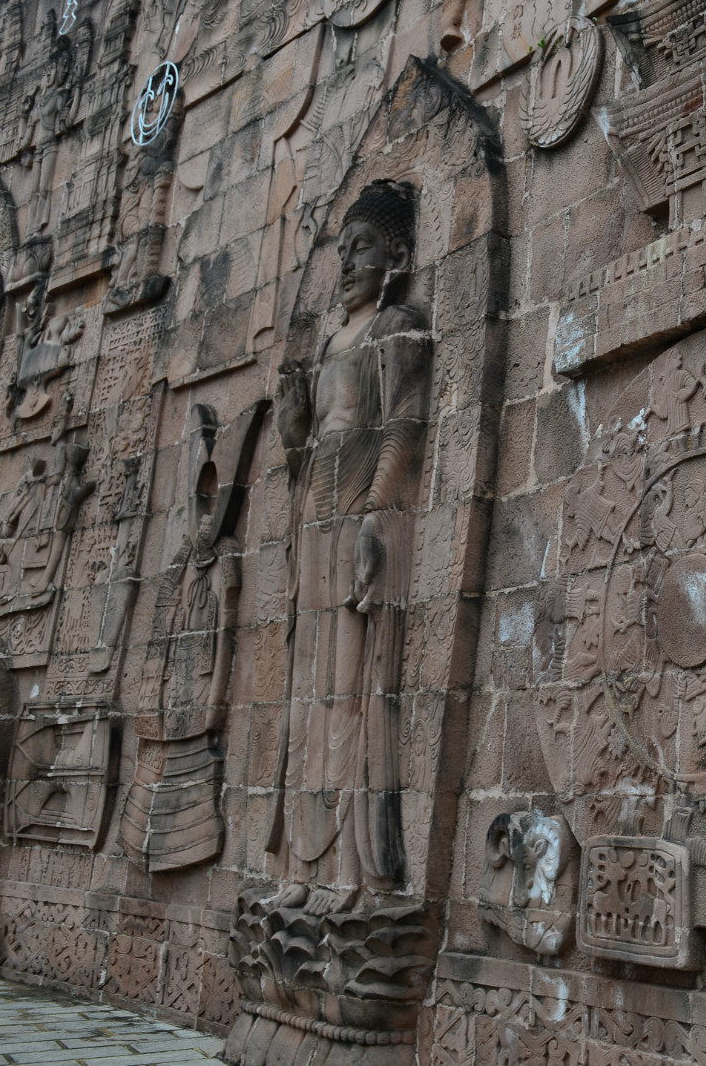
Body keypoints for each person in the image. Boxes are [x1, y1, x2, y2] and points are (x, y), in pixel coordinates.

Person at [270, 180, 429, 908]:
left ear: (395, 254)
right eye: (342, 251)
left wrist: (375, 517)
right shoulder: (331, 343)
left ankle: (350, 872)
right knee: (307, 694)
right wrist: (292, 429)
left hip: (360, 513)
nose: (346, 264)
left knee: (349, 692)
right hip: (315, 518)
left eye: (361, 247)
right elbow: (307, 452)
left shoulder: (397, 326)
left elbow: (402, 425)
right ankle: (300, 869)